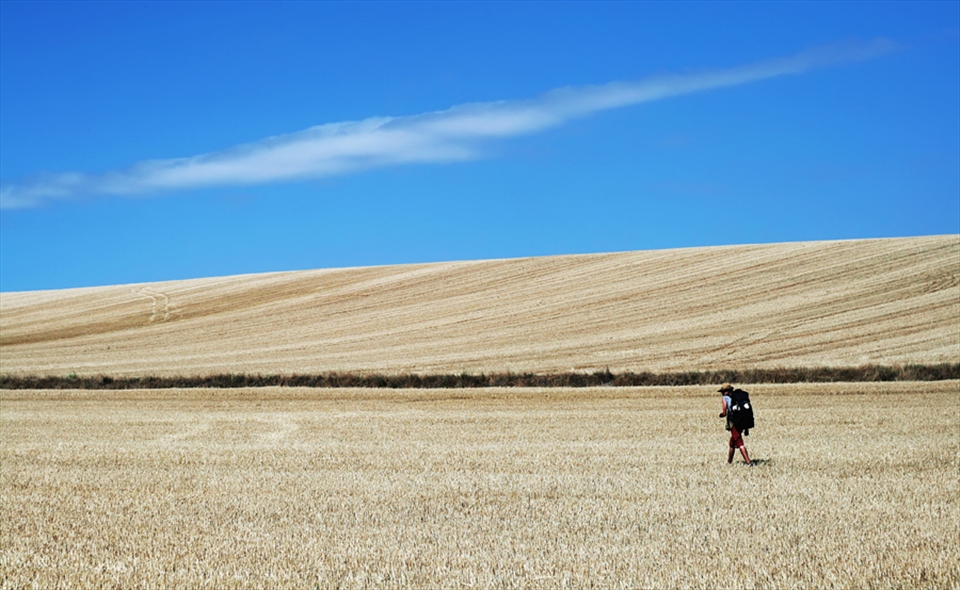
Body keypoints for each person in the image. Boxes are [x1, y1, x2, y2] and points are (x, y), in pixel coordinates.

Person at [718, 383, 751, 464]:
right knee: (732, 442)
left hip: (734, 421)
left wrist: (721, 415)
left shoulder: (725, 398)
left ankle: (748, 462)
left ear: (725, 391)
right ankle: (729, 462)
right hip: (742, 420)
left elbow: (724, 412)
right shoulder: (737, 397)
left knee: (739, 441)